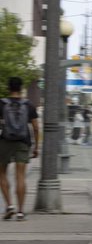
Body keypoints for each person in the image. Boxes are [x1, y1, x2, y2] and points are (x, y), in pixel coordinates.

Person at [0, 77, 40, 222]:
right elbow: (35, 127)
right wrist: (36, 147)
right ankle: (21, 212)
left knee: (2, 173)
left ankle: (10, 205)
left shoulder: (2, 103)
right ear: (21, 88)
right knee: (20, 176)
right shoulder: (29, 105)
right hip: (23, 142)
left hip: (5, 142)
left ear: (9, 88)